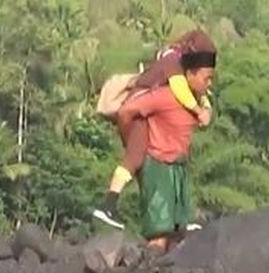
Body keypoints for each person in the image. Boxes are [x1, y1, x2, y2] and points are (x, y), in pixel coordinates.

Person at [92, 29, 216, 230]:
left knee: (148, 168)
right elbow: (179, 88)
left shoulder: (184, 68)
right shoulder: (172, 62)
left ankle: (179, 219)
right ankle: (108, 204)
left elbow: (200, 92)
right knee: (135, 157)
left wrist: (206, 109)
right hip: (141, 107)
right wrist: (197, 110)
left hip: (148, 112)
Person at [113, 49, 215, 253]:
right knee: (158, 233)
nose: (209, 83)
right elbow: (126, 111)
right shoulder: (164, 96)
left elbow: (206, 112)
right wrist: (131, 140)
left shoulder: (195, 101)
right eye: (207, 78)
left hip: (179, 168)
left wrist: (206, 113)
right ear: (190, 74)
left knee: (178, 233)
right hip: (157, 168)